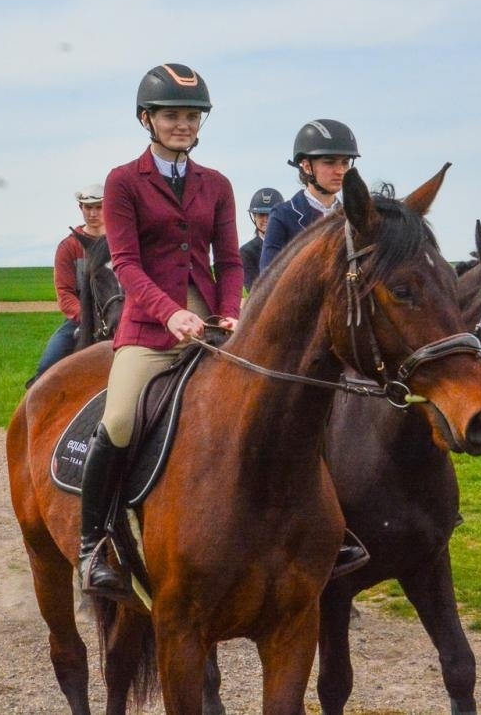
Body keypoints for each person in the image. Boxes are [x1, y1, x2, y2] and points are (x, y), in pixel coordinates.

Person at [77, 63, 243, 600]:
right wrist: (170, 313)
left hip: (212, 322)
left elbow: (231, 260)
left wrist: (231, 311)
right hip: (148, 324)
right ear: (147, 118)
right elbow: (125, 263)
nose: (183, 124)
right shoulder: (124, 182)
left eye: (192, 116)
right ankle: (93, 543)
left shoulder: (216, 185)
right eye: (172, 115)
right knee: (120, 418)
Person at [258, 118, 360, 274]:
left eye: (345, 162)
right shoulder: (283, 215)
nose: (340, 171)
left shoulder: (352, 217)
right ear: (307, 167)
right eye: (330, 162)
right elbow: (268, 274)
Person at [31, 184, 107, 381]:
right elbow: (65, 294)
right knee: (47, 367)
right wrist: (88, 317)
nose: (93, 213)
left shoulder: (122, 243)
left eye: (99, 207)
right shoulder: (69, 247)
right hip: (81, 319)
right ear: (80, 208)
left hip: (118, 316)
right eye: (88, 207)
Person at [238, 186, 284, 292]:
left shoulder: (290, 245)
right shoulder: (246, 252)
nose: (266, 219)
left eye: (270, 214)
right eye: (261, 215)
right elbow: (253, 288)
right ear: (254, 216)